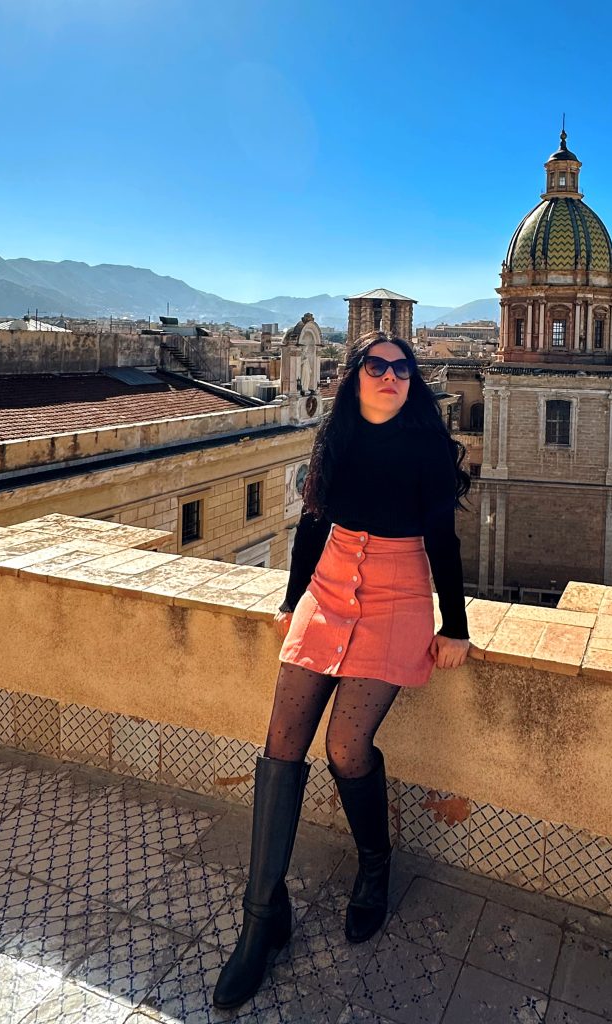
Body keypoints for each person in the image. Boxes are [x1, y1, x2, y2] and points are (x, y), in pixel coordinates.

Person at [212, 331, 472, 1010]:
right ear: (354, 376)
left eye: (402, 369)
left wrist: (458, 627)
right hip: (327, 590)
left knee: (346, 747)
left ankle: (376, 868)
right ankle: (261, 920)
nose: (390, 376)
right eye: (376, 367)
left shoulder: (427, 450)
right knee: (280, 745)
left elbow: (442, 539)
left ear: (412, 383)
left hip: (397, 595)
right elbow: (310, 525)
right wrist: (290, 600)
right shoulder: (336, 442)